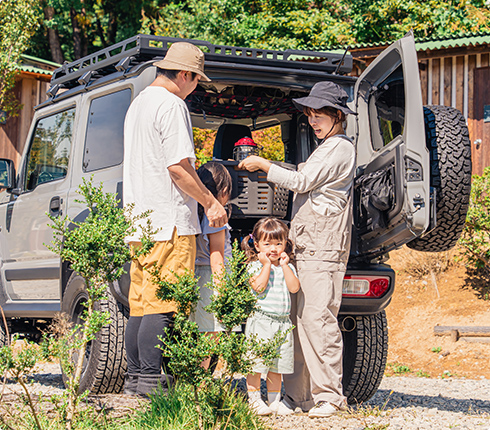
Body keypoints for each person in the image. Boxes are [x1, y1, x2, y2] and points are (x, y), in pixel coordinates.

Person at [238, 81, 356, 418]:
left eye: (319, 115)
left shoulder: (339, 148)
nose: (313, 121)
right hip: (306, 248)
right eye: (310, 115)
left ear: (337, 116)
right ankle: (300, 397)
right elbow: (301, 174)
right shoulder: (325, 147)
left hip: (324, 248)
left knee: (318, 322)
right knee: (299, 322)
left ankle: (331, 397)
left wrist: (262, 164)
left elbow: (302, 182)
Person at [123, 42, 228, 397]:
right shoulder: (172, 105)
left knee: (140, 302)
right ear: (185, 75)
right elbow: (179, 168)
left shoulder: (138, 104)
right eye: (196, 79)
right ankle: (152, 383)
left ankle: (135, 379)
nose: (196, 86)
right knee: (164, 303)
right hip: (168, 221)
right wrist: (211, 202)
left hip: (139, 221)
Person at [241, 217, 300, 416]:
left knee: (277, 364)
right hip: (261, 321)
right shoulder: (254, 266)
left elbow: (294, 288)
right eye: (267, 244)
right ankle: (254, 400)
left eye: (278, 243)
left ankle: (274, 400)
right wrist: (266, 265)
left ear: (285, 243)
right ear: (256, 245)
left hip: (283, 323)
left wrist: (284, 266)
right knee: (256, 363)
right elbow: (258, 287)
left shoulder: (287, 267)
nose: (273, 249)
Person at [193, 162, 235, 355]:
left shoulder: (197, 215)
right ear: (225, 190)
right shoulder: (217, 219)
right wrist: (223, 292)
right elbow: (216, 257)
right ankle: (203, 384)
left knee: (199, 332)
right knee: (210, 334)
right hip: (211, 279)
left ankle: (195, 380)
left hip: (197, 276)